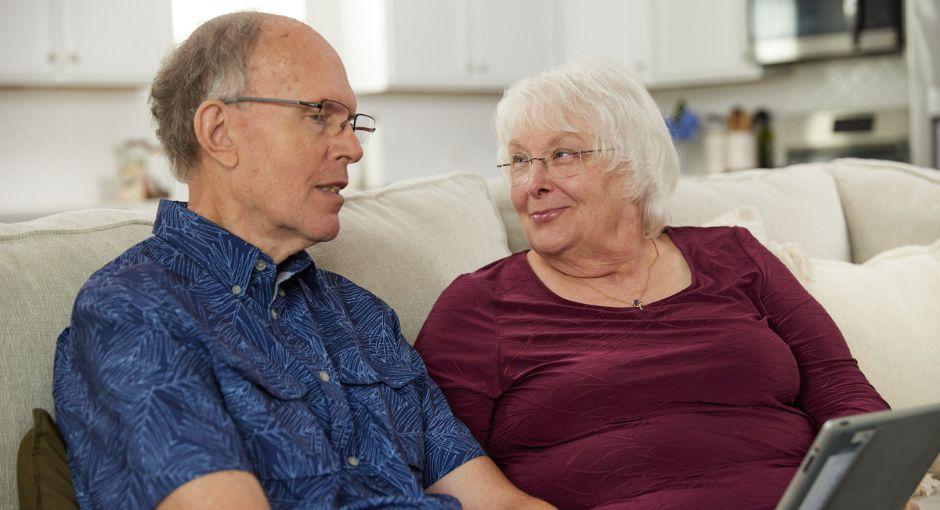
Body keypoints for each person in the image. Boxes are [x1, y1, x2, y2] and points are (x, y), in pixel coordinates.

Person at [52, 12, 553, 510]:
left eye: (353, 123)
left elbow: (496, 501)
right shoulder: (134, 312)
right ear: (219, 131)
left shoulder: (361, 316)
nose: (354, 148)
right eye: (319, 115)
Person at [414, 61, 891, 510]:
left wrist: (879, 484)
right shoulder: (479, 306)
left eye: (562, 155)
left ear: (634, 167)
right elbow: (439, 459)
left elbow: (839, 386)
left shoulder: (736, 256)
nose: (532, 183)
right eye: (519, 161)